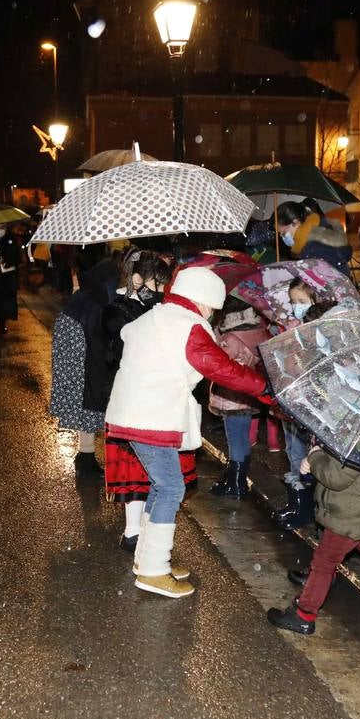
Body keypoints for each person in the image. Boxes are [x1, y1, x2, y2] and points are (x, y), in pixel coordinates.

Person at [105, 267, 271, 599]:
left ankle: (147, 559)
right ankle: (154, 571)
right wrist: (266, 389)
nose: (213, 312)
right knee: (171, 487)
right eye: (213, 305)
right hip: (151, 417)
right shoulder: (188, 326)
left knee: (160, 485)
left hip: (135, 413)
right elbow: (222, 369)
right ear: (202, 298)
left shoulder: (160, 317)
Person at [267, 439, 360, 635]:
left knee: (324, 563)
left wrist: (315, 456)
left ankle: (303, 614)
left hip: (347, 518)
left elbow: (335, 477)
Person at [99, 250, 174, 550]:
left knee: (151, 470)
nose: (160, 292)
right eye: (157, 284)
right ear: (138, 280)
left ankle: (146, 528)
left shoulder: (156, 308)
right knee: (133, 467)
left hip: (154, 396)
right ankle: (133, 532)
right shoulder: (117, 311)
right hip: (129, 399)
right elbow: (124, 342)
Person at [49, 249, 121, 471]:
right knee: (88, 391)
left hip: (74, 329)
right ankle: (86, 457)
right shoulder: (106, 288)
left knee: (82, 393)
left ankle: (86, 453)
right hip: (83, 335)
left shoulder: (99, 279)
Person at [270, 278, 331, 531]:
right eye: (293, 302)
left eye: (302, 302)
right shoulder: (290, 326)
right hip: (291, 399)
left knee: (308, 455)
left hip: (311, 404)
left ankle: (309, 507)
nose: (297, 307)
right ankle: (298, 503)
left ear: (315, 301)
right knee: (293, 451)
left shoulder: (323, 331)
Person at [207, 296, 274, 500]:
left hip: (231, 395)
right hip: (250, 392)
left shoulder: (230, 338)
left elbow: (219, 364)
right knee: (243, 438)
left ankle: (236, 484)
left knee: (235, 439)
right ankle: (236, 479)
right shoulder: (260, 331)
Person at [275, 199, 351, 275]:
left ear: (295, 222)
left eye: (284, 233)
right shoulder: (307, 239)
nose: (283, 237)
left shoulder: (315, 245)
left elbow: (323, 279)